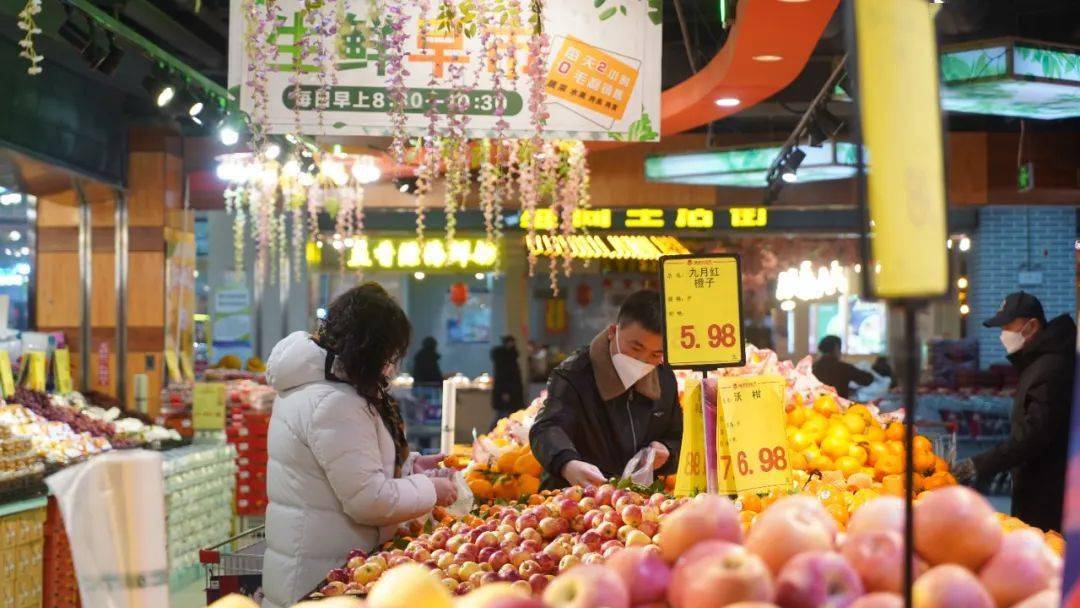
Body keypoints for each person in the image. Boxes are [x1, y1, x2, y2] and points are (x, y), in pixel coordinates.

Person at [261, 284, 458, 608]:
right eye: (388, 353)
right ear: (368, 347)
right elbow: (368, 500)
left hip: (315, 568)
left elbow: (349, 472)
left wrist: (409, 467)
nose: (391, 365)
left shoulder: (317, 386)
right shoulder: (334, 402)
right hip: (321, 580)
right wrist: (430, 489)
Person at [529, 289, 682, 489]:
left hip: (637, 502)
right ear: (613, 332)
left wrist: (668, 452)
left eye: (655, 354)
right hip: (578, 497)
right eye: (635, 348)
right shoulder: (574, 375)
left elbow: (678, 437)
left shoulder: (664, 377)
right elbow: (547, 427)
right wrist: (567, 463)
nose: (642, 361)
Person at [953, 291, 1077, 532]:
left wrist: (978, 465)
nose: (1003, 334)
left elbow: (1034, 435)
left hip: (1049, 494)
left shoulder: (1051, 368)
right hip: (1037, 486)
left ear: (1031, 326)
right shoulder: (1037, 363)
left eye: (1008, 325)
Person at [812, 335, 874, 399]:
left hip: (817, 406)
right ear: (836, 348)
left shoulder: (813, 367)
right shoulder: (843, 368)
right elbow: (867, 379)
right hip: (839, 406)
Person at [490, 335, 525, 428]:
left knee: (504, 417)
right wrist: (505, 392)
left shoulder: (506, 358)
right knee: (504, 418)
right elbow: (505, 377)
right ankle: (494, 434)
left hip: (508, 393)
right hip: (508, 393)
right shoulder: (507, 359)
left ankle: (494, 434)